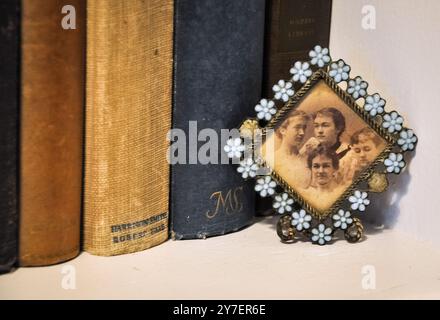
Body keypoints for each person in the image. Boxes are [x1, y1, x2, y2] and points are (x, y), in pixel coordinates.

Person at [300, 146, 345, 212]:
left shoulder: (342, 194)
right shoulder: (304, 195)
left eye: (326, 166)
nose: (321, 171)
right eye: (316, 166)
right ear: (311, 169)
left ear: (335, 168)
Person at [273, 110, 310, 188]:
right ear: (283, 130)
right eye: (297, 127)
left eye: (304, 128)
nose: (302, 132)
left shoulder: (308, 159)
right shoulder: (272, 160)